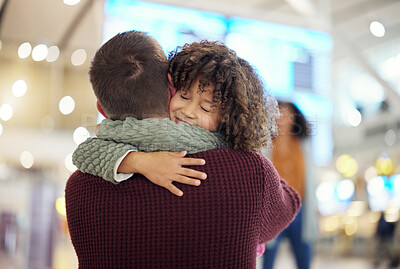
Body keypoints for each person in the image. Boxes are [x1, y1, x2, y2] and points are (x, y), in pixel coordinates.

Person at [66, 31, 301, 268]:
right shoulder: (250, 171)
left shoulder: (79, 187)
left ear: (102, 110)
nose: (189, 111)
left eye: (207, 108)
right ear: (172, 87)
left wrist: (135, 161)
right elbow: (289, 203)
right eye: (185, 96)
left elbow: (86, 151)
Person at [262, 102, 318, 269]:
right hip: (274, 208)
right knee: (269, 258)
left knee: (304, 257)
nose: (283, 118)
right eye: (279, 113)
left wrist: (315, 209)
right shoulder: (265, 144)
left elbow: (311, 180)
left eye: (288, 114)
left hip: (301, 208)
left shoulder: (304, 145)